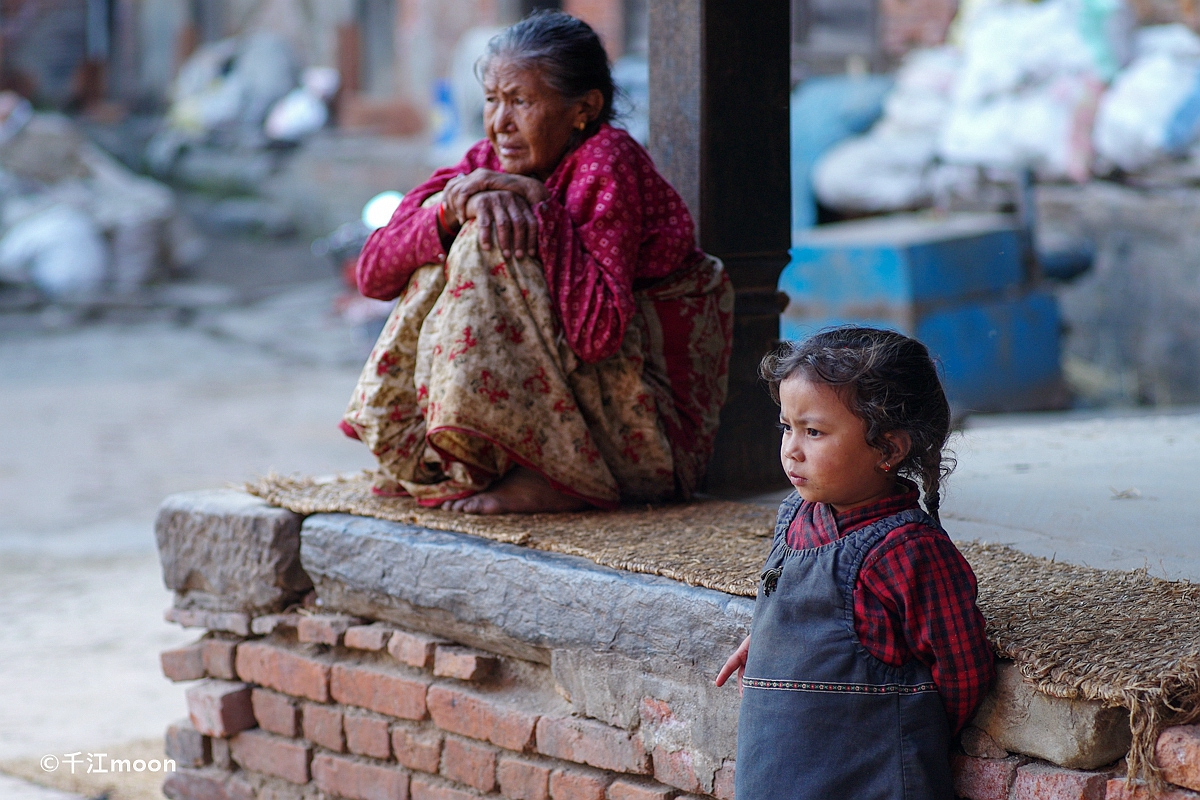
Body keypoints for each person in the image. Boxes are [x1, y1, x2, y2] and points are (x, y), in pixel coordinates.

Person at [340, 11, 733, 515]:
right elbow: (373, 274)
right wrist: (447, 211)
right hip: (575, 397)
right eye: (492, 101)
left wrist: (541, 209)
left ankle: (557, 477)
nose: (500, 122)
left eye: (521, 102)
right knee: (456, 225)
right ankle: (473, 454)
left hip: (643, 434)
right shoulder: (487, 160)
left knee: (488, 231)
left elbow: (599, 334)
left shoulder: (607, 158)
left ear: (584, 109)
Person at [715, 327, 994, 800]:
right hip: (775, 772)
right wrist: (773, 639)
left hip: (873, 778)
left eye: (815, 432)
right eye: (787, 427)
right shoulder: (796, 516)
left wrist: (907, 729)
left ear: (889, 448)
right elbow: (808, 608)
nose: (792, 449)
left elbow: (962, 671)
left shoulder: (906, 550)